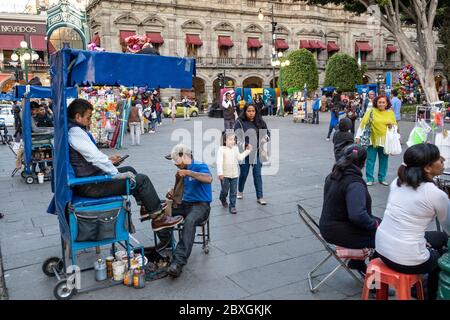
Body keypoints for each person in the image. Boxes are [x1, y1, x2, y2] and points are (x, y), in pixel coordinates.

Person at [67, 98, 183, 231]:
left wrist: (109, 161)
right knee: (142, 180)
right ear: (78, 117)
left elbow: (91, 157)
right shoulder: (75, 132)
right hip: (92, 185)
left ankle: (146, 206)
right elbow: (95, 158)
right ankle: (158, 218)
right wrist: (115, 174)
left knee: (130, 170)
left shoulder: (76, 130)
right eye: (88, 117)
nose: (90, 120)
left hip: (90, 180)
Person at [375, 144, 449, 300]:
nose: (443, 160)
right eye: (438, 159)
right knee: (442, 257)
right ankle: (428, 292)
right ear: (428, 168)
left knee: (439, 238)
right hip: (406, 259)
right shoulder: (435, 194)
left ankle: (420, 285)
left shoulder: (397, 182)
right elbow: (448, 227)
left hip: (381, 248)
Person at [320, 144, 381, 274]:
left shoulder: (333, 175)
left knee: (381, 224)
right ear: (363, 163)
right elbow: (357, 215)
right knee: (383, 239)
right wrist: (374, 224)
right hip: (339, 231)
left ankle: (356, 262)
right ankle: (375, 283)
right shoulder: (354, 183)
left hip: (328, 226)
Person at [157, 144, 213, 277]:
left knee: (190, 221)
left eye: (176, 160)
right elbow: (181, 191)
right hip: (184, 204)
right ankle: (167, 240)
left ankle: (178, 261)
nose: (175, 164)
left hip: (201, 205)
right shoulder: (180, 172)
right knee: (159, 211)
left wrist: (189, 172)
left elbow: (209, 178)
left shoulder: (199, 166)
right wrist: (172, 193)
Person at [356, 95, 397, 186]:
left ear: (387, 103)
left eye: (383, 102)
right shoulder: (370, 111)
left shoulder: (390, 113)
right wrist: (358, 137)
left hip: (385, 141)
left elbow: (395, 127)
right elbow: (363, 124)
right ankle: (370, 179)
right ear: (376, 103)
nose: (381, 104)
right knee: (370, 160)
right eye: (379, 102)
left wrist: (391, 126)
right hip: (371, 140)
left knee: (384, 161)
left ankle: (382, 178)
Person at [234, 103, 270, 205]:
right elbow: (236, 138)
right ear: (245, 111)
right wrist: (245, 145)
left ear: (256, 111)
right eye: (249, 111)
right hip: (245, 153)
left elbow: (268, 134)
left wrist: (265, 138)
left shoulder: (260, 122)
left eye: (253, 111)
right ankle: (240, 190)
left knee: (257, 174)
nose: (251, 113)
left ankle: (260, 197)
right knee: (244, 174)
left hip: (258, 152)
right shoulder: (239, 123)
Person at [217, 131, 252, 214]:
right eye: (230, 139)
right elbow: (219, 162)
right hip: (225, 174)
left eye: (234, 139)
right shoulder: (222, 149)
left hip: (234, 174)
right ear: (225, 141)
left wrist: (247, 151)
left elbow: (239, 158)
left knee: (233, 192)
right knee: (225, 190)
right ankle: (222, 198)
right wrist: (220, 173)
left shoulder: (235, 148)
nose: (233, 141)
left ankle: (232, 206)